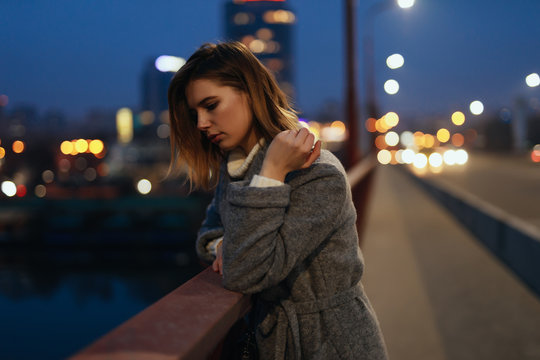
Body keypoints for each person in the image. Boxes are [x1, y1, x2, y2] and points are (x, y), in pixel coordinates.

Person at [168, 41, 387, 360]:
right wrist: (221, 246)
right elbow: (208, 232)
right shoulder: (235, 169)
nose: (201, 124)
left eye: (211, 105)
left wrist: (272, 172)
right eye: (194, 113)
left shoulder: (316, 174)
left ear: (249, 92)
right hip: (269, 339)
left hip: (331, 343)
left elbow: (246, 273)